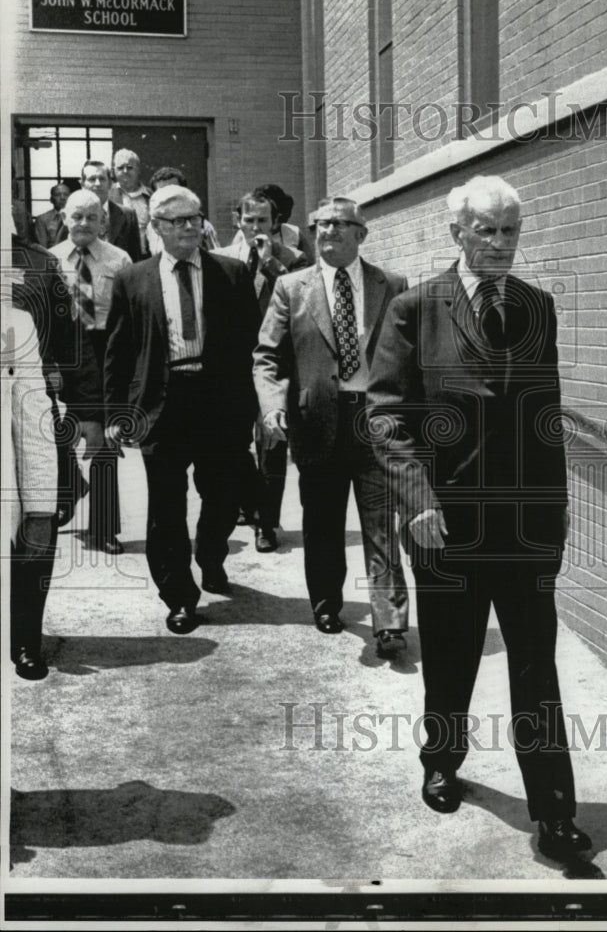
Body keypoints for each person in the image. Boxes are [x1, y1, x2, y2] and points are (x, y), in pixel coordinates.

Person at [366, 175, 592, 861]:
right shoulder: (414, 307)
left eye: (509, 231)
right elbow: (384, 415)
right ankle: (442, 758)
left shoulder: (536, 306)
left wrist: (553, 515)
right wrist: (417, 499)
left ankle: (552, 815)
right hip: (445, 524)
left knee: (534, 668)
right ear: (456, 233)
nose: (499, 244)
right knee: (452, 657)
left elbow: (542, 418)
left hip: (523, 527)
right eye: (486, 231)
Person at [254, 196, 409, 657]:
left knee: (381, 524)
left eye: (341, 225)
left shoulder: (391, 284)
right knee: (322, 523)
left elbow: (406, 355)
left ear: (361, 234)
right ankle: (325, 603)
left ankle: (389, 621)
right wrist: (271, 405)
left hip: (374, 419)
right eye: (321, 225)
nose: (329, 233)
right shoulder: (291, 287)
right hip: (316, 419)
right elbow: (267, 356)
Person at [103, 185, 259, 634]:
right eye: (178, 220)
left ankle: (211, 555)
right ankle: (178, 596)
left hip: (220, 404)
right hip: (161, 405)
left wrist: (257, 407)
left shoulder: (231, 274)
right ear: (156, 227)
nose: (190, 226)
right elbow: (118, 351)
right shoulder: (133, 279)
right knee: (166, 509)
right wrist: (117, 411)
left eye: (195, 217)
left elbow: (251, 346)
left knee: (224, 495)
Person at [218, 191, 308, 551]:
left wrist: (271, 263)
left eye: (263, 221)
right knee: (236, 444)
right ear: (237, 220)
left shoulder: (295, 258)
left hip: (275, 360)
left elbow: (302, 301)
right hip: (235, 361)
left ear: (275, 223)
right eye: (249, 220)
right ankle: (248, 503)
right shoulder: (222, 258)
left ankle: (266, 523)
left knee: (272, 442)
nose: (256, 227)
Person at [50, 190, 132, 555]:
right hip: (61, 356)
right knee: (54, 438)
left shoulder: (119, 260)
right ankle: (67, 492)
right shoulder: (48, 260)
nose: (83, 223)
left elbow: (131, 318)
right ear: (63, 217)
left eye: (91, 217)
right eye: (76, 216)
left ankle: (103, 528)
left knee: (102, 445)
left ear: (103, 221)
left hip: (103, 357)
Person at [11, 227, 104, 529]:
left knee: (38, 526)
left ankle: (68, 482)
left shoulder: (39, 264)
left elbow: (72, 341)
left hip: (35, 402)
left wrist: (88, 412)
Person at [4, 304, 58, 680]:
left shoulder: (14, 324)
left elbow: (33, 422)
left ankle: (24, 640)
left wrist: (39, 508)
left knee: (27, 561)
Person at [53, 161, 142, 262]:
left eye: (102, 179)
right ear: (83, 184)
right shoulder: (70, 214)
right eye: (92, 179)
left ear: (110, 184)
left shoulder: (128, 215)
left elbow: (135, 258)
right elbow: (59, 254)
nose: (97, 184)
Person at [146, 167, 219, 254]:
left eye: (173, 192)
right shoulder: (152, 227)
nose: (168, 197)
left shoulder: (203, 227)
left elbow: (216, 258)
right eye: (162, 193)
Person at [109, 149, 152, 256]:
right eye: (120, 168)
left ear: (138, 170)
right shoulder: (107, 196)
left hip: (146, 259)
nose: (125, 171)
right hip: (117, 259)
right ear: (113, 171)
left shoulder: (151, 196)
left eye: (129, 167)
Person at [34, 182, 72, 248]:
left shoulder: (78, 217)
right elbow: (43, 250)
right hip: (52, 256)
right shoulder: (42, 220)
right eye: (57, 195)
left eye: (66, 194)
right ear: (51, 199)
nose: (62, 198)